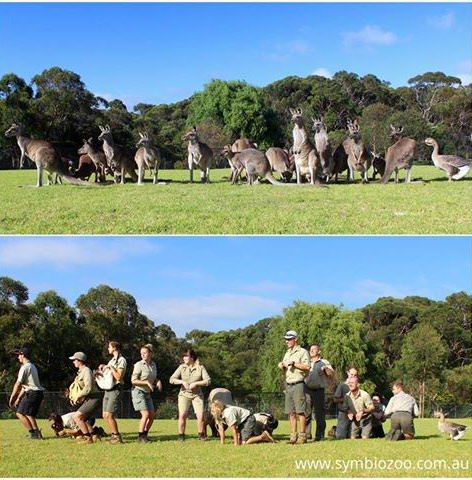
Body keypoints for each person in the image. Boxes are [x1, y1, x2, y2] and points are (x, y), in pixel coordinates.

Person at [170, 349, 211, 441]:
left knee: (200, 416)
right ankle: (181, 435)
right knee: (182, 415)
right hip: (184, 394)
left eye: (186, 356)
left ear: (192, 357)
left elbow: (208, 380)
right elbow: (172, 379)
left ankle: (201, 435)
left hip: (197, 395)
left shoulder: (200, 367)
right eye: (183, 356)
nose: (184, 358)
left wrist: (196, 383)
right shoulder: (181, 367)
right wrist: (182, 381)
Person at [277, 330, 310, 444]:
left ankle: (302, 436)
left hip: (298, 384)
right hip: (288, 384)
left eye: (289, 339)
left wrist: (294, 364)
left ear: (295, 339)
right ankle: (293, 436)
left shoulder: (303, 352)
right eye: (286, 339)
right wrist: (282, 365)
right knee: (290, 412)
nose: (287, 341)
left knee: (300, 411)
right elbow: (286, 367)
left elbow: (307, 367)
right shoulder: (287, 353)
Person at [8, 346, 44, 439]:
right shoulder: (32, 366)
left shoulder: (25, 367)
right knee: (29, 414)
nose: (18, 357)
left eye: (19, 355)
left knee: (19, 413)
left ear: (22, 355)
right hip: (37, 393)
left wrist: (12, 396)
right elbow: (26, 386)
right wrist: (19, 398)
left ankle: (33, 433)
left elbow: (18, 384)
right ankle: (37, 433)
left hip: (32, 393)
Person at [68, 351, 102, 444]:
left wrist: (77, 397)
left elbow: (88, 388)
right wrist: (76, 397)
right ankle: (94, 435)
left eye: (74, 360)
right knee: (82, 419)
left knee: (77, 417)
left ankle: (87, 438)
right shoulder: (81, 372)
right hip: (90, 398)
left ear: (80, 360)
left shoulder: (86, 370)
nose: (73, 362)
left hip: (94, 398)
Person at [97, 340, 127, 445]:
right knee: (105, 415)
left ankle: (117, 437)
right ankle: (113, 436)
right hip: (107, 390)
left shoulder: (121, 360)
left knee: (109, 415)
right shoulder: (111, 360)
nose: (108, 349)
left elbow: (119, 376)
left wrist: (111, 367)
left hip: (115, 389)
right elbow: (108, 374)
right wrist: (102, 369)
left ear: (114, 347)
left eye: (109, 347)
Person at [131, 344, 162, 443]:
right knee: (145, 414)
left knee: (152, 416)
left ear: (150, 353)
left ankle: (145, 434)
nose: (143, 355)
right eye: (141, 353)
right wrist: (146, 383)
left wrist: (158, 381)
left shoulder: (153, 365)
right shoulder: (138, 365)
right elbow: (133, 380)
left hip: (147, 393)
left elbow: (152, 378)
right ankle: (140, 437)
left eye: (145, 353)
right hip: (138, 391)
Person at [210, 400, 274, 445]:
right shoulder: (218, 415)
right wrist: (222, 443)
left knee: (244, 442)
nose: (211, 411)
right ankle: (260, 438)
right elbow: (221, 429)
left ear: (218, 408)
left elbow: (234, 429)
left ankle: (263, 436)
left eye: (213, 409)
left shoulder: (228, 413)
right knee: (240, 441)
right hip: (242, 422)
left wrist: (236, 445)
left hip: (248, 419)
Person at [304, 344, 334, 441]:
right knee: (306, 412)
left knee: (319, 414)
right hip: (306, 389)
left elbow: (331, 373)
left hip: (318, 390)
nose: (311, 351)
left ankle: (319, 435)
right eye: (310, 349)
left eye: (314, 349)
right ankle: (306, 434)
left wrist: (326, 369)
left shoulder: (324, 362)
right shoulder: (306, 361)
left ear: (319, 351)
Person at [333, 366, 358, 439]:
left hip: (354, 413)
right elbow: (335, 399)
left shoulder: (358, 386)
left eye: (355, 375)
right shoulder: (342, 386)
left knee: (353, 436)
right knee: (341, 436)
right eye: (352, 374)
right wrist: (346, 399)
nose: (353, 376)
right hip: (343, 413)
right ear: (348, 373)